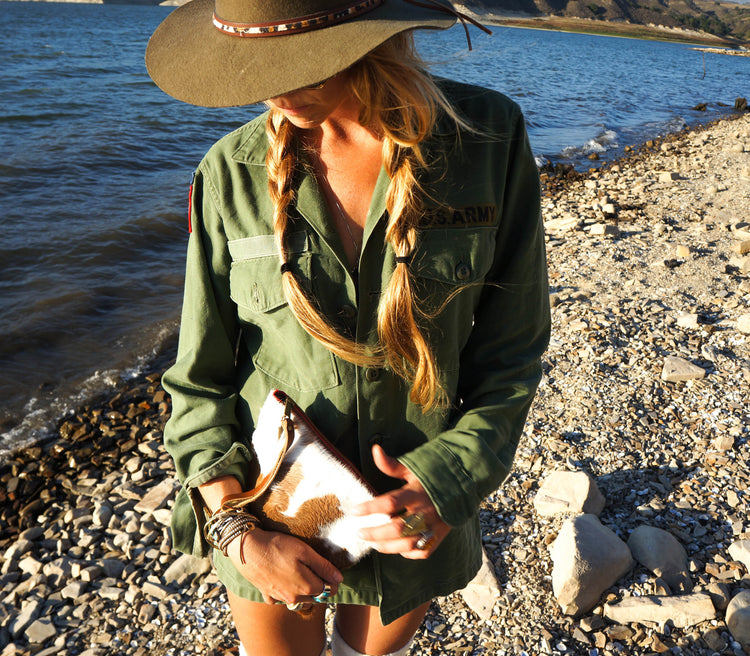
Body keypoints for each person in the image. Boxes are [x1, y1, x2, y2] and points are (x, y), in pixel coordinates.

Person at [146, 1, 550, 655]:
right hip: (270, 515)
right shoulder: (228, 174)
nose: (274, 86)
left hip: (415, 519)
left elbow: (512, 350)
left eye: (301, 61)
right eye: (256, 64)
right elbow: (199, 379)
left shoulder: (488, 140)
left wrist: (448, 483)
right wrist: (235, 531)